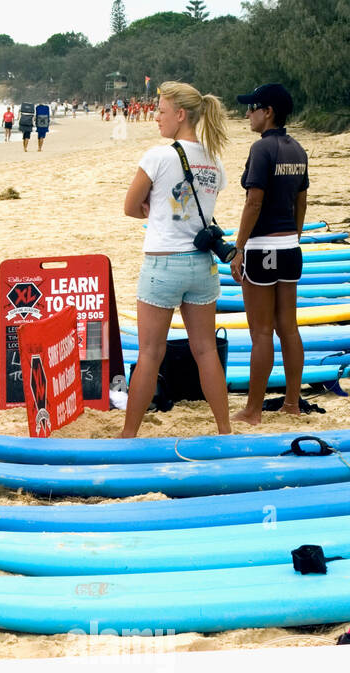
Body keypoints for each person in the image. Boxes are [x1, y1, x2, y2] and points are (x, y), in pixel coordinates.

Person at [121, 80, 231, 438]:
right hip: (202, 265)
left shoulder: (159, 156)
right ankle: (224, 428)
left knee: (151, 354)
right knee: (206, 352)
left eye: (161, 111)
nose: (156, 118)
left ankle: (129, 434)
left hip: (164, 264)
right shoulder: (214, 161)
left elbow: (129, 206)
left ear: (180, 114)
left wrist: (153, 213)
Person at [228, 82, 308, 423]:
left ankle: (253, 409)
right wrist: (294, 236)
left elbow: (254, 201)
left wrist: (239, 248)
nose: (248, 113)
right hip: (290, 246)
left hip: (262, 249)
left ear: (268, 112)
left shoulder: (261, 150)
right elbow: (301, 202)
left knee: (260, 332)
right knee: (288, 328)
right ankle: (291, 403)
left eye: (253, 107)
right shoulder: (298, 150)